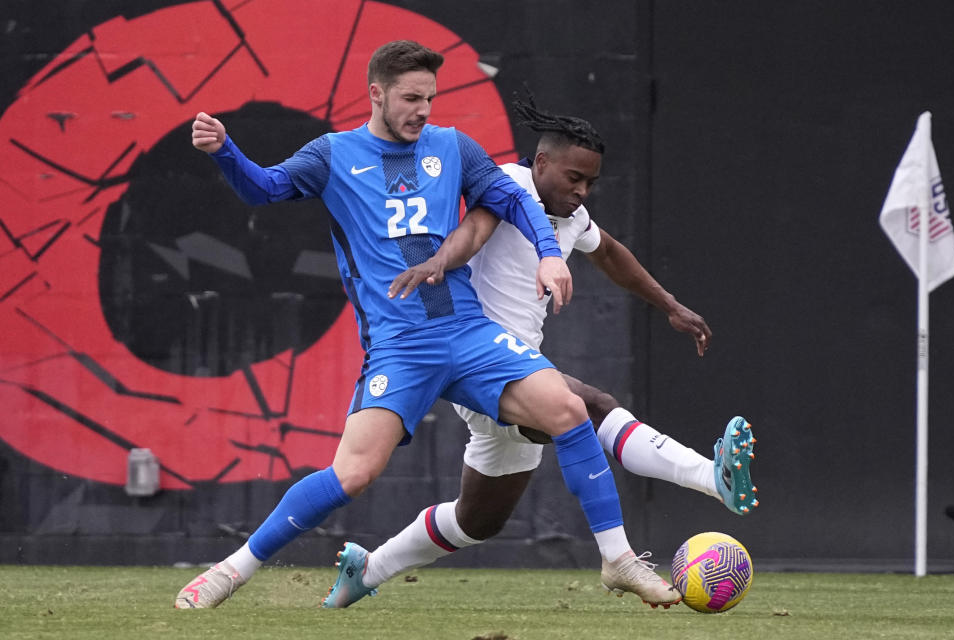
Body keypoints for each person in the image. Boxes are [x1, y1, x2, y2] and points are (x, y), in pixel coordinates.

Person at [174, 40, 680, 610]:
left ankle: (617, 560)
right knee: (354, 473)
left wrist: (547, 252)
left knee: (568, 410)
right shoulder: (332, 155)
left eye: (430, 99)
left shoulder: (453, 147)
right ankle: (230, 571)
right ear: (376, 95)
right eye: (411, 98)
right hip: (400, 345)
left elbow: (513, 201)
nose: (422, 110)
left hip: (467, 332)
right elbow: (261, 188)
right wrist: (224, 151)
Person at [320, 96, 758, 609]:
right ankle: (711, 478)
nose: (581, 191)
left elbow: (611, 253)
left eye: (591, 182)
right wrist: (439, 260)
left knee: (477, 520)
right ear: (542, 163)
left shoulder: (572, 215)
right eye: (574, 177)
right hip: (479, 364)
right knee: (591, 404)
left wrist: (670, 305)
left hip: (521, 370)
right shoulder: (507, 186)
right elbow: (469, 231)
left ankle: (367, 569)